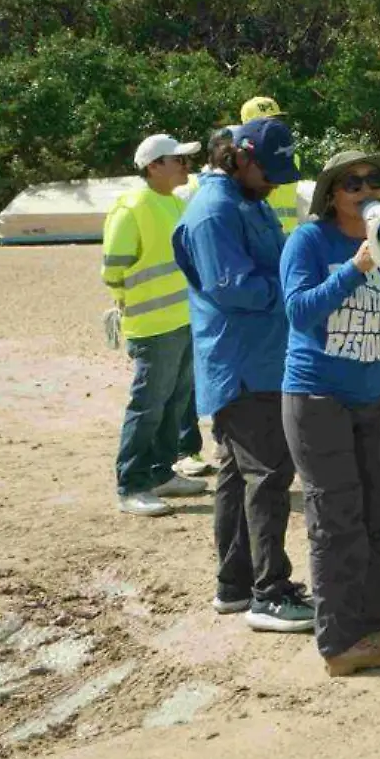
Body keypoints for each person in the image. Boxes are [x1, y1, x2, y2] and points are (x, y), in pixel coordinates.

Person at [282, 150, 380, 677]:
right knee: (336, 521)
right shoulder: (309, 242)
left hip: (376, 396)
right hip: (317, 397)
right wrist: (354, 269)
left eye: (374, 181)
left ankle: (379, 620)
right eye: (353, 183)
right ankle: (340, 645)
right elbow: (301, 312)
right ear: (332, 194)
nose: (366, 189)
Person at [172, 116, 313, 632]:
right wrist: (296, 295)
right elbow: (233, 288)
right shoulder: (214, 212)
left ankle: (234, 586)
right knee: (269, 475)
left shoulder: (245, 201)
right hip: (243, 365)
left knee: (236, 474)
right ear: (238, 158)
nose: (275, 180)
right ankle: (269, 592)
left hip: (258, 356)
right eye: (268, 170)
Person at [102, 133, 207, 517]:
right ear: (153, 166)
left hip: (181, 321)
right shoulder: (132, 207)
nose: (185, 165)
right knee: (148, 406)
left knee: (175, 401)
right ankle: (131, 484)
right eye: (177, 159)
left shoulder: (173, 203)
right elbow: (113, 268)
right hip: (152, 327)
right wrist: (126, 304)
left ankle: (161, 472)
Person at [171, 125, 240, 480]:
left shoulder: (248, 189)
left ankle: (210, 441)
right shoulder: (196, 194)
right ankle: (187, 448)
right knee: (192, 379)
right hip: (197, 297)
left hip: (199, 298)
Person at [239, 96, 306, 234]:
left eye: (276, 119)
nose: (274, 125)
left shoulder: (292, 158)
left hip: (287, 236)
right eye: (266, 121)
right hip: (261, 236)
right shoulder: (242, 164)